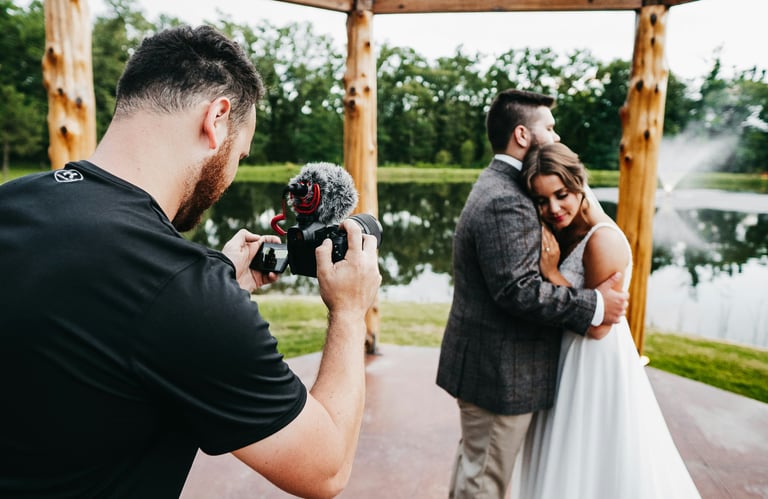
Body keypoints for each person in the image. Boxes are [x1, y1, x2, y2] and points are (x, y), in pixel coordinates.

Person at [0, 25, 381, 498]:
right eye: (240, 155)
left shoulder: (13, 200)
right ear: (216, 119)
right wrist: (349, 311)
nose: (232, 174)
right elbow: (326, 468)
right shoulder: (180, 289)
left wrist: (215, 289)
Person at [435, 88, 629, 499]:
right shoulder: (506, 199)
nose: (556, 137)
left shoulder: (501, 185)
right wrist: (595, 304)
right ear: (523, 135)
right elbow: (517, 290)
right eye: (550, 128)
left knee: (475, 469)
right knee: (481, 483)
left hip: (490, 365)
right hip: (500, 371)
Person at [513, 142, 700, 498]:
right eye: (542, 200)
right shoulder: (561, 230)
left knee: (590, 456)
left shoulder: (603, 241)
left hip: (591, 363)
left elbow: (598, 326)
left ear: (579, 184)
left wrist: (551, 272)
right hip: (564, 356)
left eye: (561, 195)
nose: (553, 209)